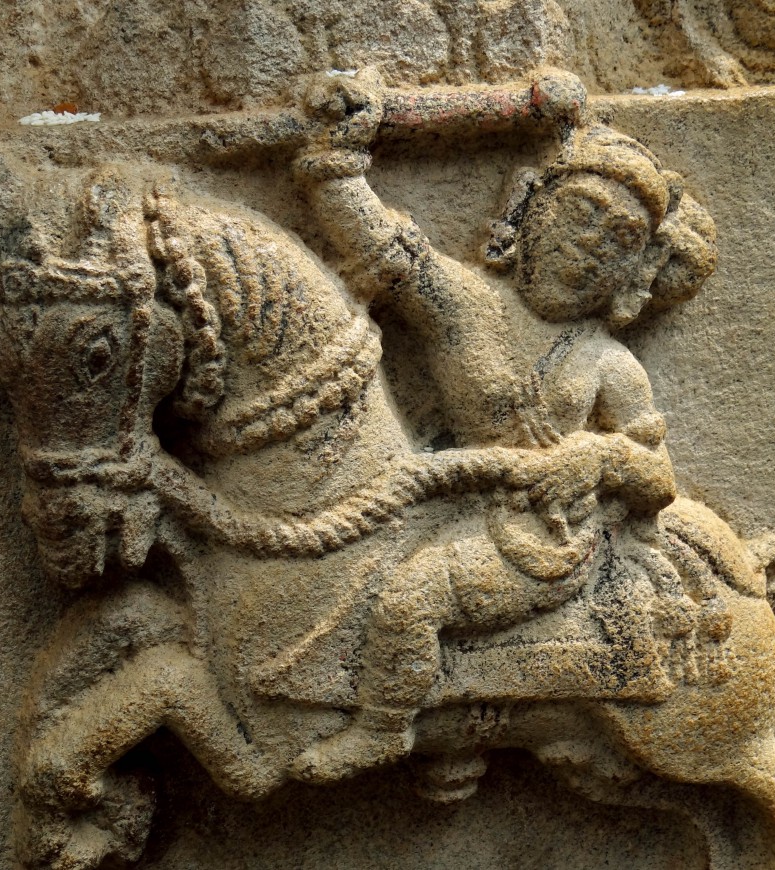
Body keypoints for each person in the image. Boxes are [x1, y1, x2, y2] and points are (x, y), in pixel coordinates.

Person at [288, 72, 719, 783]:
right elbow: (388, 253)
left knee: (410, 597)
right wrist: (336, 161)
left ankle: (381, 728)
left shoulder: (607, 365)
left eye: (619, 242)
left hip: (534, 540)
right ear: (527, 212)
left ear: (633, 276)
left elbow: (657, 477)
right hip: (438, 496)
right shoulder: (464, 303)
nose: (590, 250)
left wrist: (599, 454)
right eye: (578, 216)